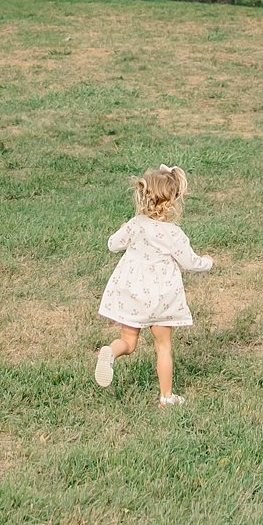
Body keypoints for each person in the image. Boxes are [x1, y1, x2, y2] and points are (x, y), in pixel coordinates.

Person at [93, 164, 214, 406]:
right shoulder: (174, 234)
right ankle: (166, 397)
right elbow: (190, 263)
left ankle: (112, 352)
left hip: (132, 294)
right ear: (173, 200)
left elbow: (113, 245)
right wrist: (207, 262)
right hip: (161, 297)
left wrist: (121, 232)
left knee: (128, 342)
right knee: (163, 346)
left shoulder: (136, 224)